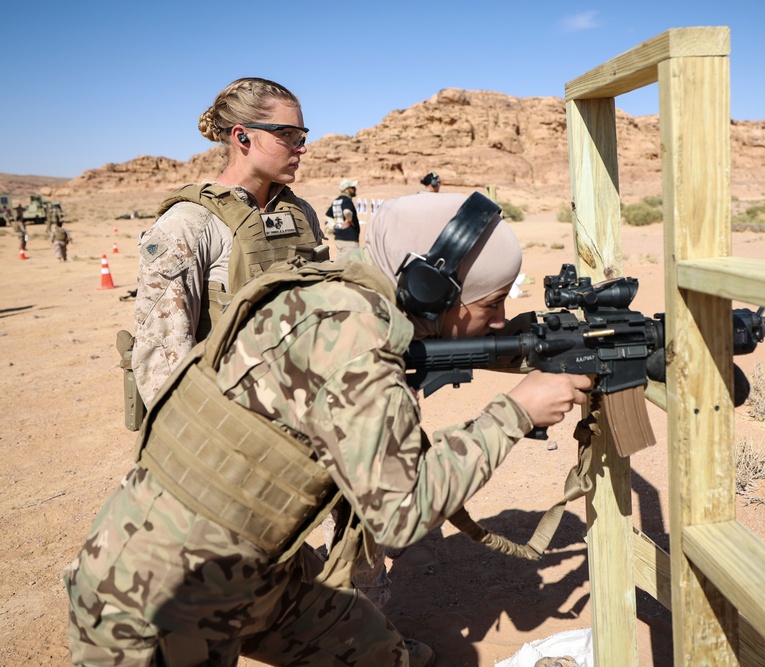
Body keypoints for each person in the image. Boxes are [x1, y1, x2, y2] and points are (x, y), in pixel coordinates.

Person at [63, 191, 591, 666]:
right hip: (155, 597)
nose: (500, 318)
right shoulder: (356, 339)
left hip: (254, 567)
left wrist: (522, 346)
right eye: (491, 304)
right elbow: (399, 517)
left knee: (376, 655)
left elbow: (411, 355)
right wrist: (516, 412)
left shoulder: (341, 296)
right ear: (430, 286)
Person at [130, 77, 325, 408]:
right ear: (242, 136)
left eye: (302, 136)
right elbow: (162, 356)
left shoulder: (301, 214)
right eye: (287, 135)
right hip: (233, 418)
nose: (301, 147)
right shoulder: (188, 224)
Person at [327, 178, 360, 252]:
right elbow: (347, 211)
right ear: (347, 189)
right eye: (353, 187)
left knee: (341, 262)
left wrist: (334, 226)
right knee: (351, 263)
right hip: (349, 240)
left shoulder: (336, 200)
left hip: (339, 239)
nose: (355, 189)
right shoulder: (347, 200)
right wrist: (348, 221)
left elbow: (328, 215)